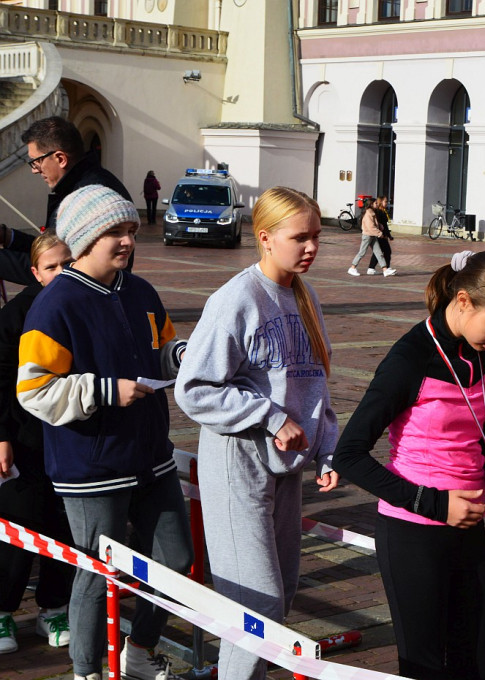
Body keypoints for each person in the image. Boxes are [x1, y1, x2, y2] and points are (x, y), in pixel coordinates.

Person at [332, 250, 485, 679]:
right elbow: (348, 455)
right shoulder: (409, 359)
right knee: (423, 666)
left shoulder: (480, 351)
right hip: (414, 532)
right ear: (463, 302)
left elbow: (473, 422)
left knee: (475, 663)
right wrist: (437, 505)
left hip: (468, 527)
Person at [17, 184, 192, 680]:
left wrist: (182, 356)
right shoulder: (55, 305)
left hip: (151, 454)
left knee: (175, 559)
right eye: (115, 231)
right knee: (98, 572)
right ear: (84, 237)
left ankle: (138, 653)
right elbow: (33, 391)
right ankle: (85, 670)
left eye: (131, 230)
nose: (127, 241)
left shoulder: (138, 290)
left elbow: (162, 348)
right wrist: (102, 391)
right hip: (90, 464)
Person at [175, 187, 338, 680]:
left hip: (287, 469)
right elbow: (194, 388)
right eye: (299, 238)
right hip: (237, 462)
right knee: (256, 605)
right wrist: (268, 417)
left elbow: (315, 384)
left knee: (280, 593)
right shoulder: (235, 299)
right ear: (265, 238)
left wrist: (327, 450)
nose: (310, 247)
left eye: (316, 237)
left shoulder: (305, 297)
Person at [0, 233, 75, 655]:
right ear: (35, 273)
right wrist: (2, 436)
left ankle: (53, 606)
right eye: (51, 267)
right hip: (23, 440)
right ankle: (3, 609)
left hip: (68, 441)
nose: (61, 273)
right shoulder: (16, 314)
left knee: (62, 525)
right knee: (16, 525)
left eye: (68, 263)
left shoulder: (84, 306)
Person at [19, 116, 134, 278]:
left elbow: (54, 261)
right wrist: (10, 237)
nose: (35, 170)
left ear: (60, 159)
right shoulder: (82, 183)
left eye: (36, 161)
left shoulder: (88, 195)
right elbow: (51, 247)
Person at [348, 197, 395, 277]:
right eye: (375, 203)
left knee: (378, 252)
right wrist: (380, 233)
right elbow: (371, 227)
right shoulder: (368, 213)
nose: (377, 204)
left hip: (372, 236)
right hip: (367, 236)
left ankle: (385, 270)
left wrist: (379, 225)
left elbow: (374, 224)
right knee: (362, 252)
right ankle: (352, 267)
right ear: (371, 204)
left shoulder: (372, 212)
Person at [368, 195, 394, 274]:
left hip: (383, 235)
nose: (387, 203)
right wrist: (383, 234)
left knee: (380, 251)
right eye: (385, 201)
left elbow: (386, 225)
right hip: (380, 235)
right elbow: (378, 224)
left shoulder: (383, 211)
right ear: (380, 202)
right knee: (386, 251)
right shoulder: (378, 212)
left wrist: (389, 235)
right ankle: (386, 268)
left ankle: (371, 268)